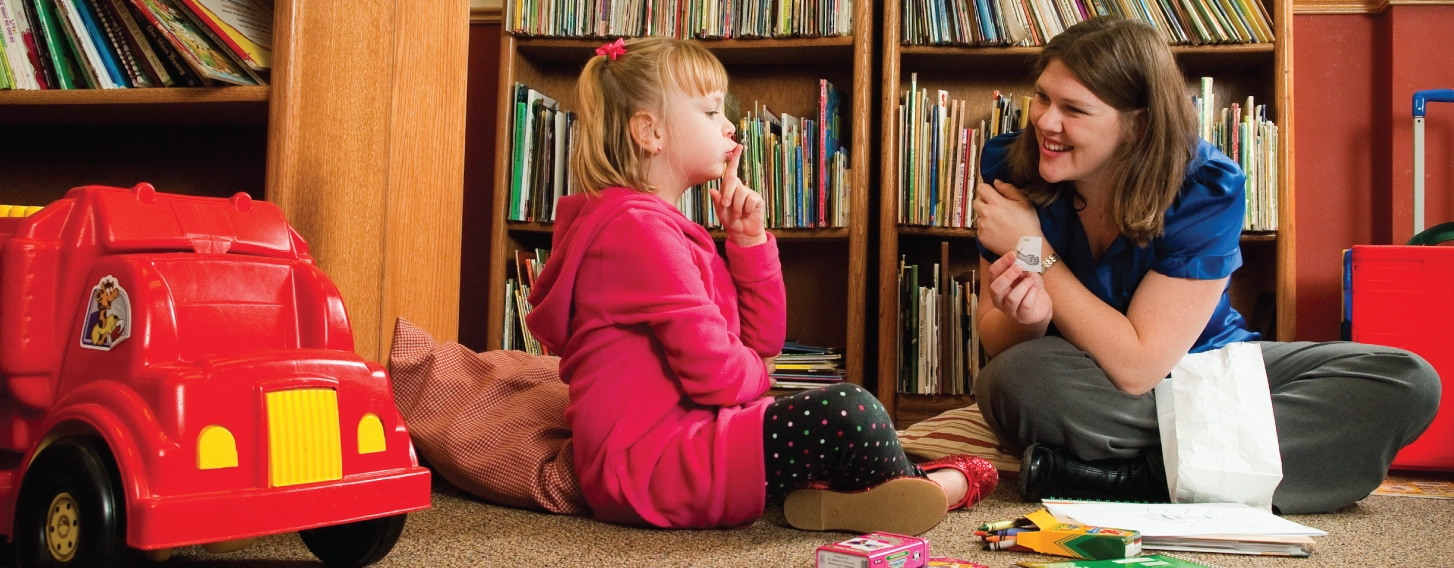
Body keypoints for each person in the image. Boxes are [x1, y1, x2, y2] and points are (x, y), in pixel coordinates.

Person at [524, 37, 997, 535]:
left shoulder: (664, 229)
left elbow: (762, 344)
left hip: (689, 445)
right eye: (710, 113)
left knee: (838, 414)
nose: (729, 126)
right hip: (655, 467)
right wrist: (760, 377)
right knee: (851, 409)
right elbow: (723, 377)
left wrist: (748, 242)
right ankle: (936, 488)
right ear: (650, 132)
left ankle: (868, 495)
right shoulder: (637, 231)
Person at [971, 17, 1440, 515]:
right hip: (1084, 377)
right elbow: (998, 339)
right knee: (1013, 379)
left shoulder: (1207, 185)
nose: (1045, 121)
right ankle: (1225, 469)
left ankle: (1135, 480)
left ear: (1140, 123)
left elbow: (1139, 364)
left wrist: (1035, 250)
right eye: (1043, 97)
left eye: (1075, 109)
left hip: (1206, 368)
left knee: (1407, 381)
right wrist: (1028, 318)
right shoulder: (1010, 167)